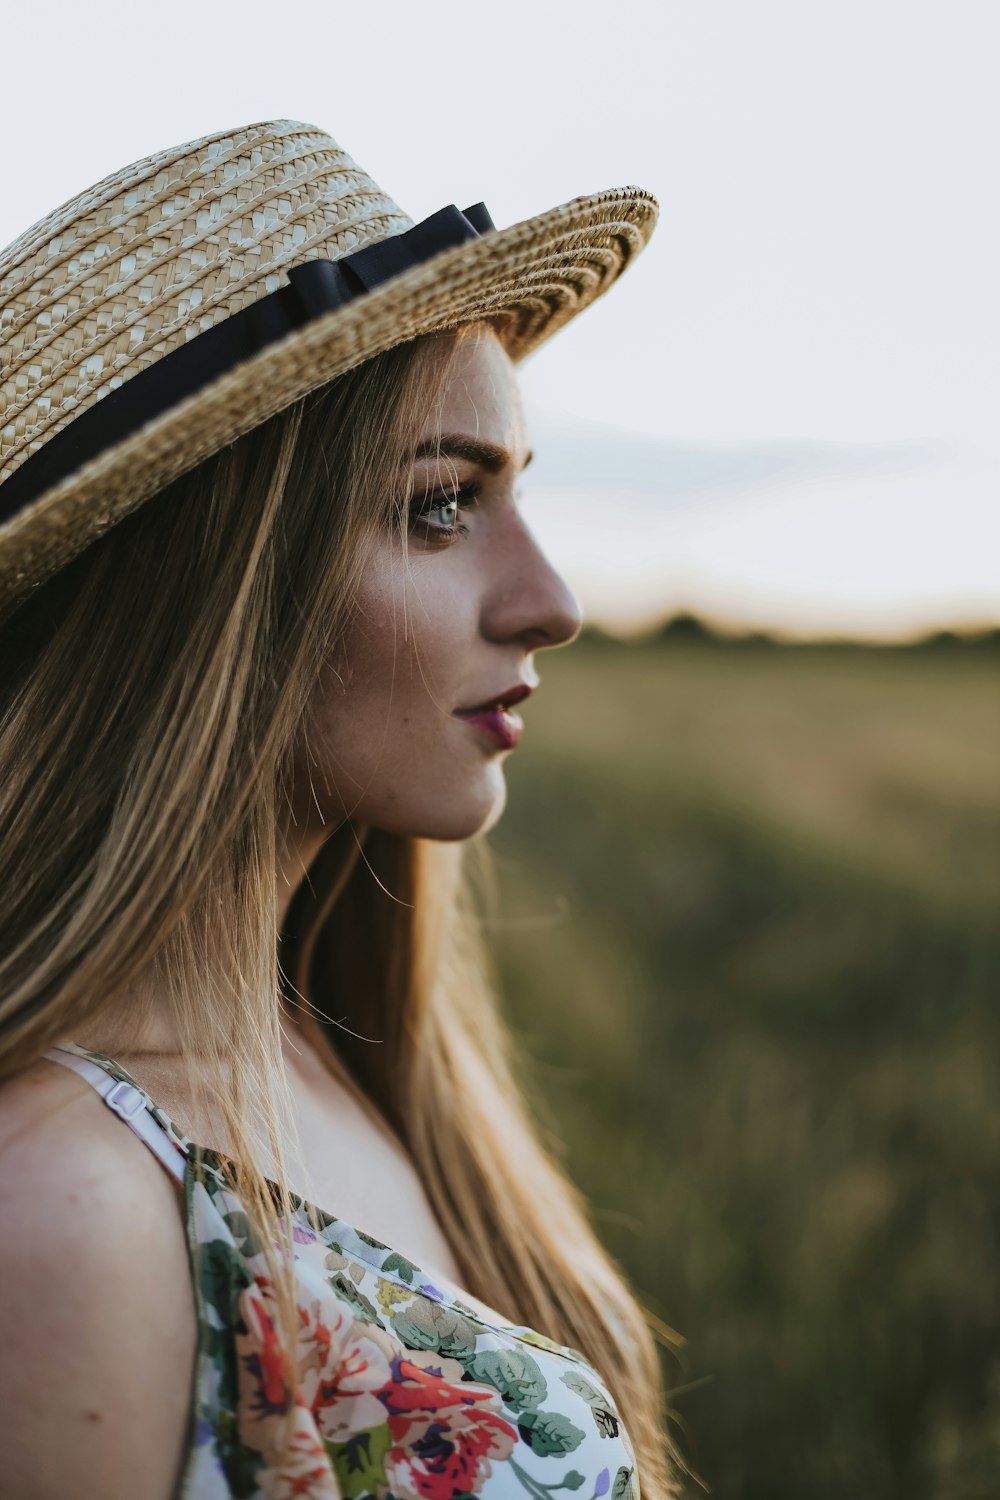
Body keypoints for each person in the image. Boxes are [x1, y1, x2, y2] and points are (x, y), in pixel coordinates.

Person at [0, 119, 675, 1499]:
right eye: (440, 508)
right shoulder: (67, 1208)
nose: (549, 598)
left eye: (514, 495)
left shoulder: (328, 1046)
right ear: (212, 596)